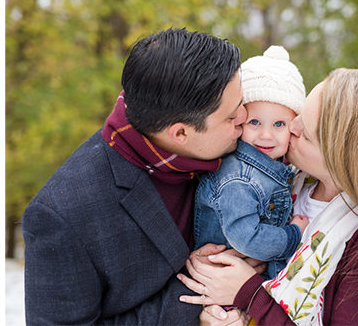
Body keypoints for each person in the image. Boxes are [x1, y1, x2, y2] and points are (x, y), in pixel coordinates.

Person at [178, 68, 358, 326]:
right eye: (299, 114)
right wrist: (212, 263)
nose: (289, 127)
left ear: (343, 163)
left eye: (304, 133)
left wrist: (249, 294)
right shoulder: (287, 183)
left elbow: (250, 290)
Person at [21, 27, 251, 324]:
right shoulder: (62, 216)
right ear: (180, 132)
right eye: (232, 116)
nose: (245, 117)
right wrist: (197, 302)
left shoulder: (243, 140)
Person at [194, 45, 309, 280]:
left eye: (279, 124)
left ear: (294, 126)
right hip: (224, 281)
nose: (266, 135)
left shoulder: (278, 167)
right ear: (240, 120)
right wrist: (293, 235)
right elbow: (248, 239)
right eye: (255, 122)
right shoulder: (238, 178)